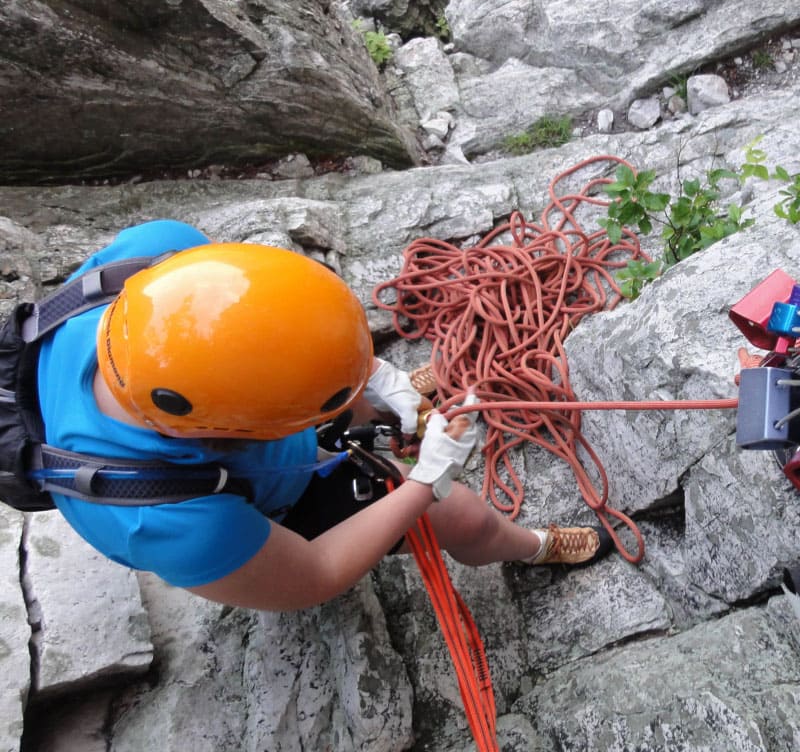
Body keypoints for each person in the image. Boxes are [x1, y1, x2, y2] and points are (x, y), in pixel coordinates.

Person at [38, 219, 609, 612]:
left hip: (227, 451)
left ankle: (382, 413)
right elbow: (313, 576)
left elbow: (255, 318)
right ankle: (527, 545)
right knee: (465, 518)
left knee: (376, 418)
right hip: (253, 503)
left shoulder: (160, 255)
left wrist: (374, 377)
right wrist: (427, 484)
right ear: (239, 430)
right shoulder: (177, 524)